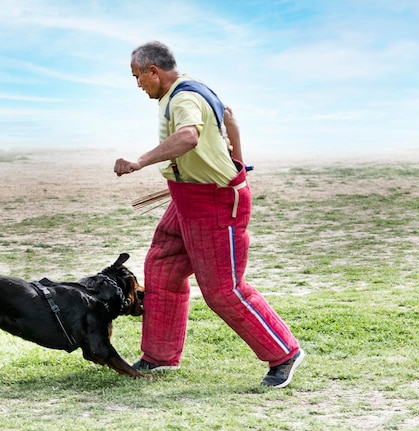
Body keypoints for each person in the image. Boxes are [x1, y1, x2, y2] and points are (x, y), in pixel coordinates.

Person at [114, 41, 304, 388]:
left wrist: (140, 161)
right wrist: (239, 163)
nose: (138, 84)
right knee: (162, 267)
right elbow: (228, 115)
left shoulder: (184, 98)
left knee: (222, 290)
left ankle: (284, 353)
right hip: (185, 199)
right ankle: (159, 356)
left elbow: (188, 136)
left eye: (137, 77)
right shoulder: (188, 87)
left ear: (153, 71)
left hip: (213, 203)